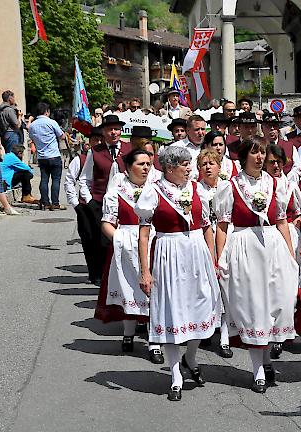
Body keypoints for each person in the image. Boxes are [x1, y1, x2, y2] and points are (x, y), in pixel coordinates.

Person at [135, 146, 221, 401]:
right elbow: (143, 233)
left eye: (188, 164)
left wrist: (212, 260)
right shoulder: (153, 192)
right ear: (169, 168)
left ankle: (190, 357)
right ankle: (175, 374)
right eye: (184, 164)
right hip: (168, 253)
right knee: (173, 311)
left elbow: (206, 226)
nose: (189, 168)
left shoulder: (196, 190)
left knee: (201, 307)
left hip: (196, 254)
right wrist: (145, 271)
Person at [214, 137, 299, 394]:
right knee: (254, 306)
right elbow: (222, 225)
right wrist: (221, 257)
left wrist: (291, 254)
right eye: (254, 153)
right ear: (244, 157)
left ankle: (266, 359)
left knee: (280, 302)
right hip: (245, 245)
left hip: (273, 244)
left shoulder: (276, 184)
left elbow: (282, 220)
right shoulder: (230, 187)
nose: (260, 157)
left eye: (262, 152)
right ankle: (258, 369)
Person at [94, 149, 163, 364]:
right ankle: (128, 334)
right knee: (130, 290)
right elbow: (107, 222)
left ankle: (154, 342)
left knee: (154, 291)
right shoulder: (117, 191)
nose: (145, 167)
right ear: (128, 167)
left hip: (152, 243)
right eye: (141, 164)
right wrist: (121, 240)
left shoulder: (157, 189)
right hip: (126, 246)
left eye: (148, 164)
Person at [79, 115, 133, 285]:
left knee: (124, 239)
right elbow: (84, 179)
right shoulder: (95, 151)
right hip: (101, 202)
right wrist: (90, 201)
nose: (114, 132)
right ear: (103, 132)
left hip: (125, 202)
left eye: (116, 129)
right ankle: (104, 276)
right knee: (102, 241)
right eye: (110, 129)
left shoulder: (129, 149)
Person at [264, 143, 301, 359]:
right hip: (267, 234)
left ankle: (281, 332)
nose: (276, 165)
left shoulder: (290, 185)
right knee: (269, 286)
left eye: (280, 161)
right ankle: (269, 329)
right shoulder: (261, 185)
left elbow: (296, 212)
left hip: (287, 234)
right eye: (272, 162)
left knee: (287, 286)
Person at [195, 149, 233, 359]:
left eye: (212, 163)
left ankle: (225, 337)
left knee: (225, 287)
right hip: (201, 238)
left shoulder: (228, 187)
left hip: (226, 235)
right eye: (203, 164)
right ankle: (206, 327)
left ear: (219, 166)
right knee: (205, 287)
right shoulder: (195, 189)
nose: (208, 167)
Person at [65, 128, 98, 283]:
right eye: (95, 140)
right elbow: (70, 181)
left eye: (100, 140)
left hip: (102, 205)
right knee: (88, 239)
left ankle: (102, 273)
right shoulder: (81, 159)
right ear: (89, 142)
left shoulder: (108, 158)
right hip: (84, 206)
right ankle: (93, 273)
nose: (98, 143)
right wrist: (75, 203)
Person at [28, 102, 67, 211]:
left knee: (44, 179)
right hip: (54, 155)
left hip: (42, 157)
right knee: (56, 179)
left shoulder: (33, 125)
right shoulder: (51, 122)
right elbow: (62, 136)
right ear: (46, 112)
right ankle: (55, 203)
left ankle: (45, 202)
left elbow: (32, 137)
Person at [170, 115, 207, 180]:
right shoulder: (176, 147)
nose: (200, 132)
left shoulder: (209, 146)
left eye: (203, 129)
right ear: (188, 130)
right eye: (197, 129)